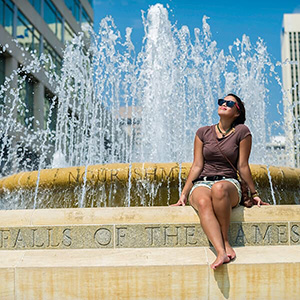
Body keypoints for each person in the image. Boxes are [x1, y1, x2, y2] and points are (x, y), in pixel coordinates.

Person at [171, 93, 269, 270]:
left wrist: (254, 194)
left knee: (219, 188)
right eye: (221, 102)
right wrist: (184, 194)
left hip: (229, 182)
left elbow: (243, 166)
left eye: (229, 103)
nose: (223, 104)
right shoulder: (203, 132)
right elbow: (196, 166)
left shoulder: (242, 132)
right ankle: (220, 252)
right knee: (202, 200)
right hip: (202, 182)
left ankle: (225, 240)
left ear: (237, 113)